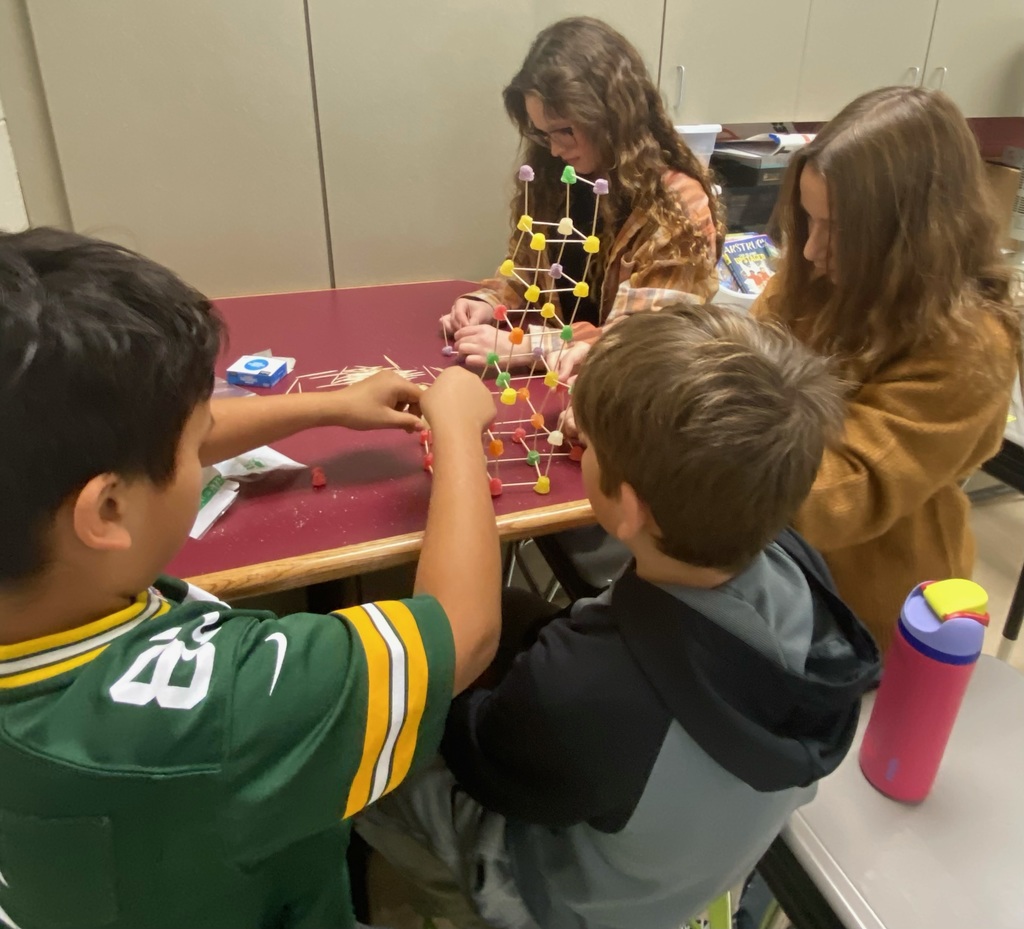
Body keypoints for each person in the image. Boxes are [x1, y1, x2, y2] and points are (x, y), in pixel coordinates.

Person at [0, 228, 501, 929]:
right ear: (108, 509)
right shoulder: (217, 712)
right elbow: (461, 632)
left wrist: (328, 405)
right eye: (191, 441)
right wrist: (458, 433)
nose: (201, 445)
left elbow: (150, 439)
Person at [356, 305, 881, 929]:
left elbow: (478, 746)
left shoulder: (582, 692)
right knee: (522, 613)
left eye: (595, 442)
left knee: (367, 745)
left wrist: (457, 435)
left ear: (630, 510)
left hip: (564, 898)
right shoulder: (797, 566)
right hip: (688, 832)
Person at [754, 86, 1023, 653]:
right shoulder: (817, 280)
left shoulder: (971, 347)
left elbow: (842, 491)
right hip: (777, 575)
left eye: (839, 229)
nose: (810, 250)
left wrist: (677, 455)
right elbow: (738, 364)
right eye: (808, 220)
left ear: (916, 235)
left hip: (872, 613)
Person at [441, 16, 722, 369]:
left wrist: (530, 346)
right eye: (543, 133)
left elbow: (646, 339)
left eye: (564, 131)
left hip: (623, 394)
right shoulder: (558, 176)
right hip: (565, 384)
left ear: (609, 114)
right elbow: (529, 268)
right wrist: (487, 300)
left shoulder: (678, 203)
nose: (555, 149)